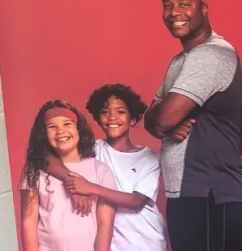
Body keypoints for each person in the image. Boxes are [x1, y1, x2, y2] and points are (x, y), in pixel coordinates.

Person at [144, 0, 242, 251]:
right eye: (168, 5)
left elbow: (163, 117)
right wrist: (161, 122)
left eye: (184, 4)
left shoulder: (212, 54)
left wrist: (163, 122)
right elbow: (151, 118)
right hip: (186, 193)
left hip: (211, 192)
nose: (174, 13)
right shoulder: (180, 61)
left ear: (203, 9)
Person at [44, 84, 168, 251]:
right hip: (111, 244)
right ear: (97, 118)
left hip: (146, 241)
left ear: (132, 119)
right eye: (104, 112)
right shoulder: (93, 149)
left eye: (121, 112)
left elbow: (136, 202)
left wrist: (91, 188)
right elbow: (45, 157)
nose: (112, 117)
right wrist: (69, 178)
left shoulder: (148, 158)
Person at [19, 100, 117, 251]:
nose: (60, 131)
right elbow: (29, 221)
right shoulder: (34, 172)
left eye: (67, 124)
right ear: (44, 134)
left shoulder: (100, 170)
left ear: (79, 129)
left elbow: (105, 222)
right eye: (52, 127)